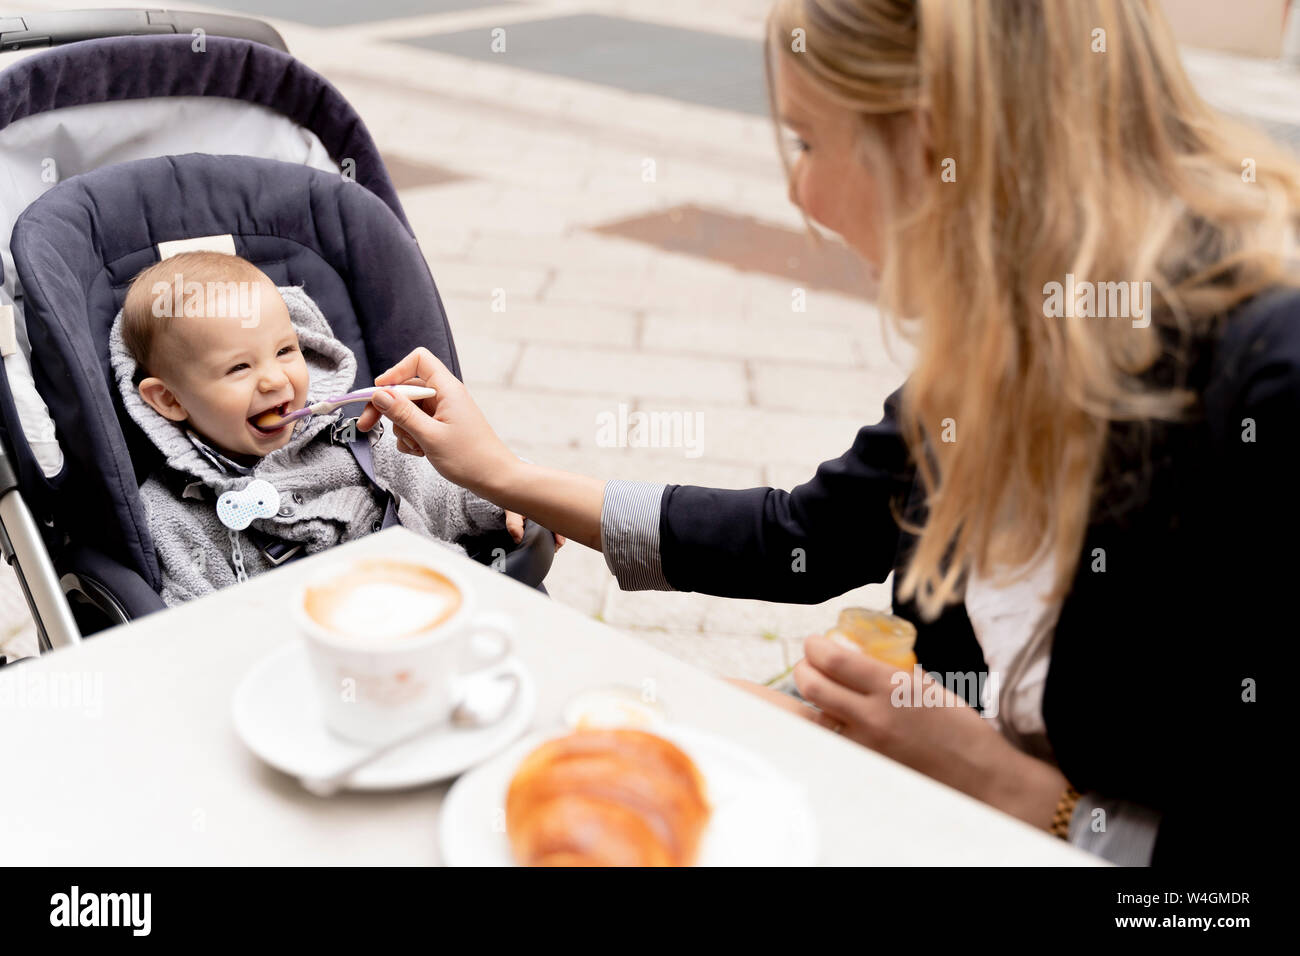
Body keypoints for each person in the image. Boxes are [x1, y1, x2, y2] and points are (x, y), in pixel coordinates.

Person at [357, 0, 1296, 866]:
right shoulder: (998, 351)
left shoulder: (1263, 384)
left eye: (806, 139)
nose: (798, 193)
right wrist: (502, 472)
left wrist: (1025, 797)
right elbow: (800, 536)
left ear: (934, 138)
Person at [109, 251, 524, 606]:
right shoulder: (172, 514)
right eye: (239, 367)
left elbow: (438, 490)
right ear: (170, 399)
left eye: (286, 351)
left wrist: (500, 495)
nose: (275, 379)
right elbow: (197, 626)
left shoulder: (350, 442)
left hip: (434, 611)